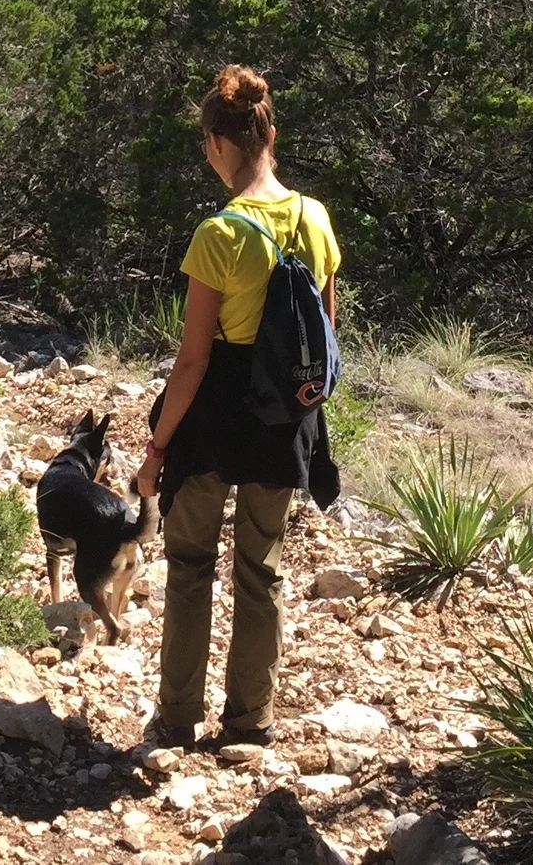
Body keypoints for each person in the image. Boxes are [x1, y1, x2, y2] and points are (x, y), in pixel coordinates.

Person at [136, 64, 341, 748]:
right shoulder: (315, 219)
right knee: (262, 568)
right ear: (269, 134)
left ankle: (176, 719)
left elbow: (192, 361)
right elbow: (326, 341)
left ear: (217, 144)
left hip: (214, 418)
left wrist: (157, 447)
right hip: (286, 421)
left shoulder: (218, 234)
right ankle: (249, 722)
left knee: (191, 564)